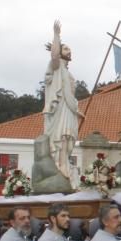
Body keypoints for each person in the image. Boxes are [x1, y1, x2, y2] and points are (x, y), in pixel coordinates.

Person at [43, 19, 82, 179]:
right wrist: (56, 35)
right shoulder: (56, 66)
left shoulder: (69, 74)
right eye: (66, 48)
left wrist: (77, 110)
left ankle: (64, 165)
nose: (69, 51)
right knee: (59, 138)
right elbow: (53, 56)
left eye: (70, 49)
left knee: (66, 139)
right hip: (58, 110)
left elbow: (70, 96)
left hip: (69, 110)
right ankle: (59, 167)